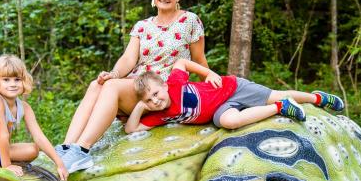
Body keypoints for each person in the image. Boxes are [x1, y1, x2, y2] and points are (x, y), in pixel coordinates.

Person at [58, 0, 207, 172]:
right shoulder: (142, 25)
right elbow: (129, 58)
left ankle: (82, 150)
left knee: (111, 88)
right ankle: (67, 148)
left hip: (163, 90)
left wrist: (210, 91)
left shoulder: (189, 20)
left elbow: (199, 59)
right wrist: (114, 74)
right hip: (138, 85)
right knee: (97, 84)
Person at [125, 59, 344, 133]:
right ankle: (280, 107)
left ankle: (317, 98)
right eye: (148, 100)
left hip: (231, 88)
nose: (155, 100)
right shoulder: (159, 115)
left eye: (155, 94)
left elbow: (180, 63)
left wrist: (208, 72)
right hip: (220, 111)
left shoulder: (174, 83)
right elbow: (131, 129)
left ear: (163, 86)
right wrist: (141, 108)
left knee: (276, 92)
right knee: (230, 122)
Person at [0, 54, 69, 181]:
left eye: (17, 79)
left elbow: (39, 137)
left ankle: (1, 162)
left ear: (24, 81)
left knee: (33, 150)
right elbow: (3, 135)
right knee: (19, 149)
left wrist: (60, 164)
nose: (12, 84)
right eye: (6, 80)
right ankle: (1, 165)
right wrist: (7, 166)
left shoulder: (24, 107)